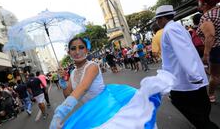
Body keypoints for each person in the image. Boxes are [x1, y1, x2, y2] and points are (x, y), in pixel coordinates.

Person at [49, 37, 177, 129]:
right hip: (92, 110)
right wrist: (63, 81)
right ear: (69, 52)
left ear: (87, 50)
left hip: (109, 105)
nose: (77, 51)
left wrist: (60, 112)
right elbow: (68, 95)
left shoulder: (92, 66)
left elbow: (82, 88)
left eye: (81, 47)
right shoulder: (72, 73)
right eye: (73, 48)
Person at [155, 5, 219, 129]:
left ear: (162, 18)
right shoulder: (177, 27)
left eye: (158, 19)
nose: (157, 22)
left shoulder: (170, 30)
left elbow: (184, 53)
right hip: (190, 80)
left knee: (198, 117)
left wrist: (194, 76)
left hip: (184, 82)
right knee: (202, 112)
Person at [197, 0, 220, 103]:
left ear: (205, 5)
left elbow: (210, 36)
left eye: (200, 5)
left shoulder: (207, 16)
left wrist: (206, 55)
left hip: (216, 50)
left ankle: (211, 94)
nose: (199, 7)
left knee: (214, 75)